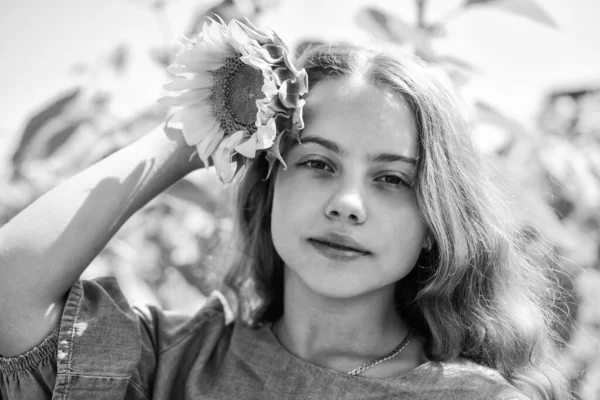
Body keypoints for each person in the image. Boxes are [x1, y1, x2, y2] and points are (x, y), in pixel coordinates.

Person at [0, 18, 569, 400]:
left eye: (392, 179)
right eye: (318, 164)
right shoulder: (170, 362)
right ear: (269, 185)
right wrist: (194, 128)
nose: (347, 204)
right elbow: (9, 294)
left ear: (433, 223)